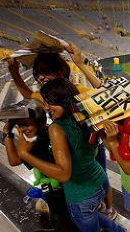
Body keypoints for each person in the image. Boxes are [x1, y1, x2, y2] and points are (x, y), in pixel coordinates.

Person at [16, 78, 130, 232]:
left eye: (49, 101)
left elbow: (63, 173)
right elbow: (94, 153)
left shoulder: (56, 128)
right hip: (99, 181)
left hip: (80, 194)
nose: (46, 106)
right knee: (94, 215)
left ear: (63, 100)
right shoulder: (87, 118)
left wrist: (25, 154)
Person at [7, 46, 118, 221]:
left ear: (60, 70)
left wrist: (81, 64)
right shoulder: (46, 94)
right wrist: (14, 73)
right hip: (69, 148)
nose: (42, 77)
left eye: (46, 72)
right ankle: (92, 207)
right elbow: (28, 95)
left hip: (90, 145)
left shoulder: (78, 90)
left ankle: (109, 210)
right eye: (39, 74)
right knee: (80, 180)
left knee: (100, 177)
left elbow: (105, 94)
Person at [2, 99, 90, 232]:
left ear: (41, 120)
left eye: (26, 124)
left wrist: (21, 149)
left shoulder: (47, 138)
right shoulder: (37, 138)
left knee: (71, 224)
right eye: (19, 126)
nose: (22, 129)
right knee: (65, 223)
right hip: (54, 193)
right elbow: (14, 160)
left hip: (66, 194)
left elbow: (15, 159)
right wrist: (8, 131)